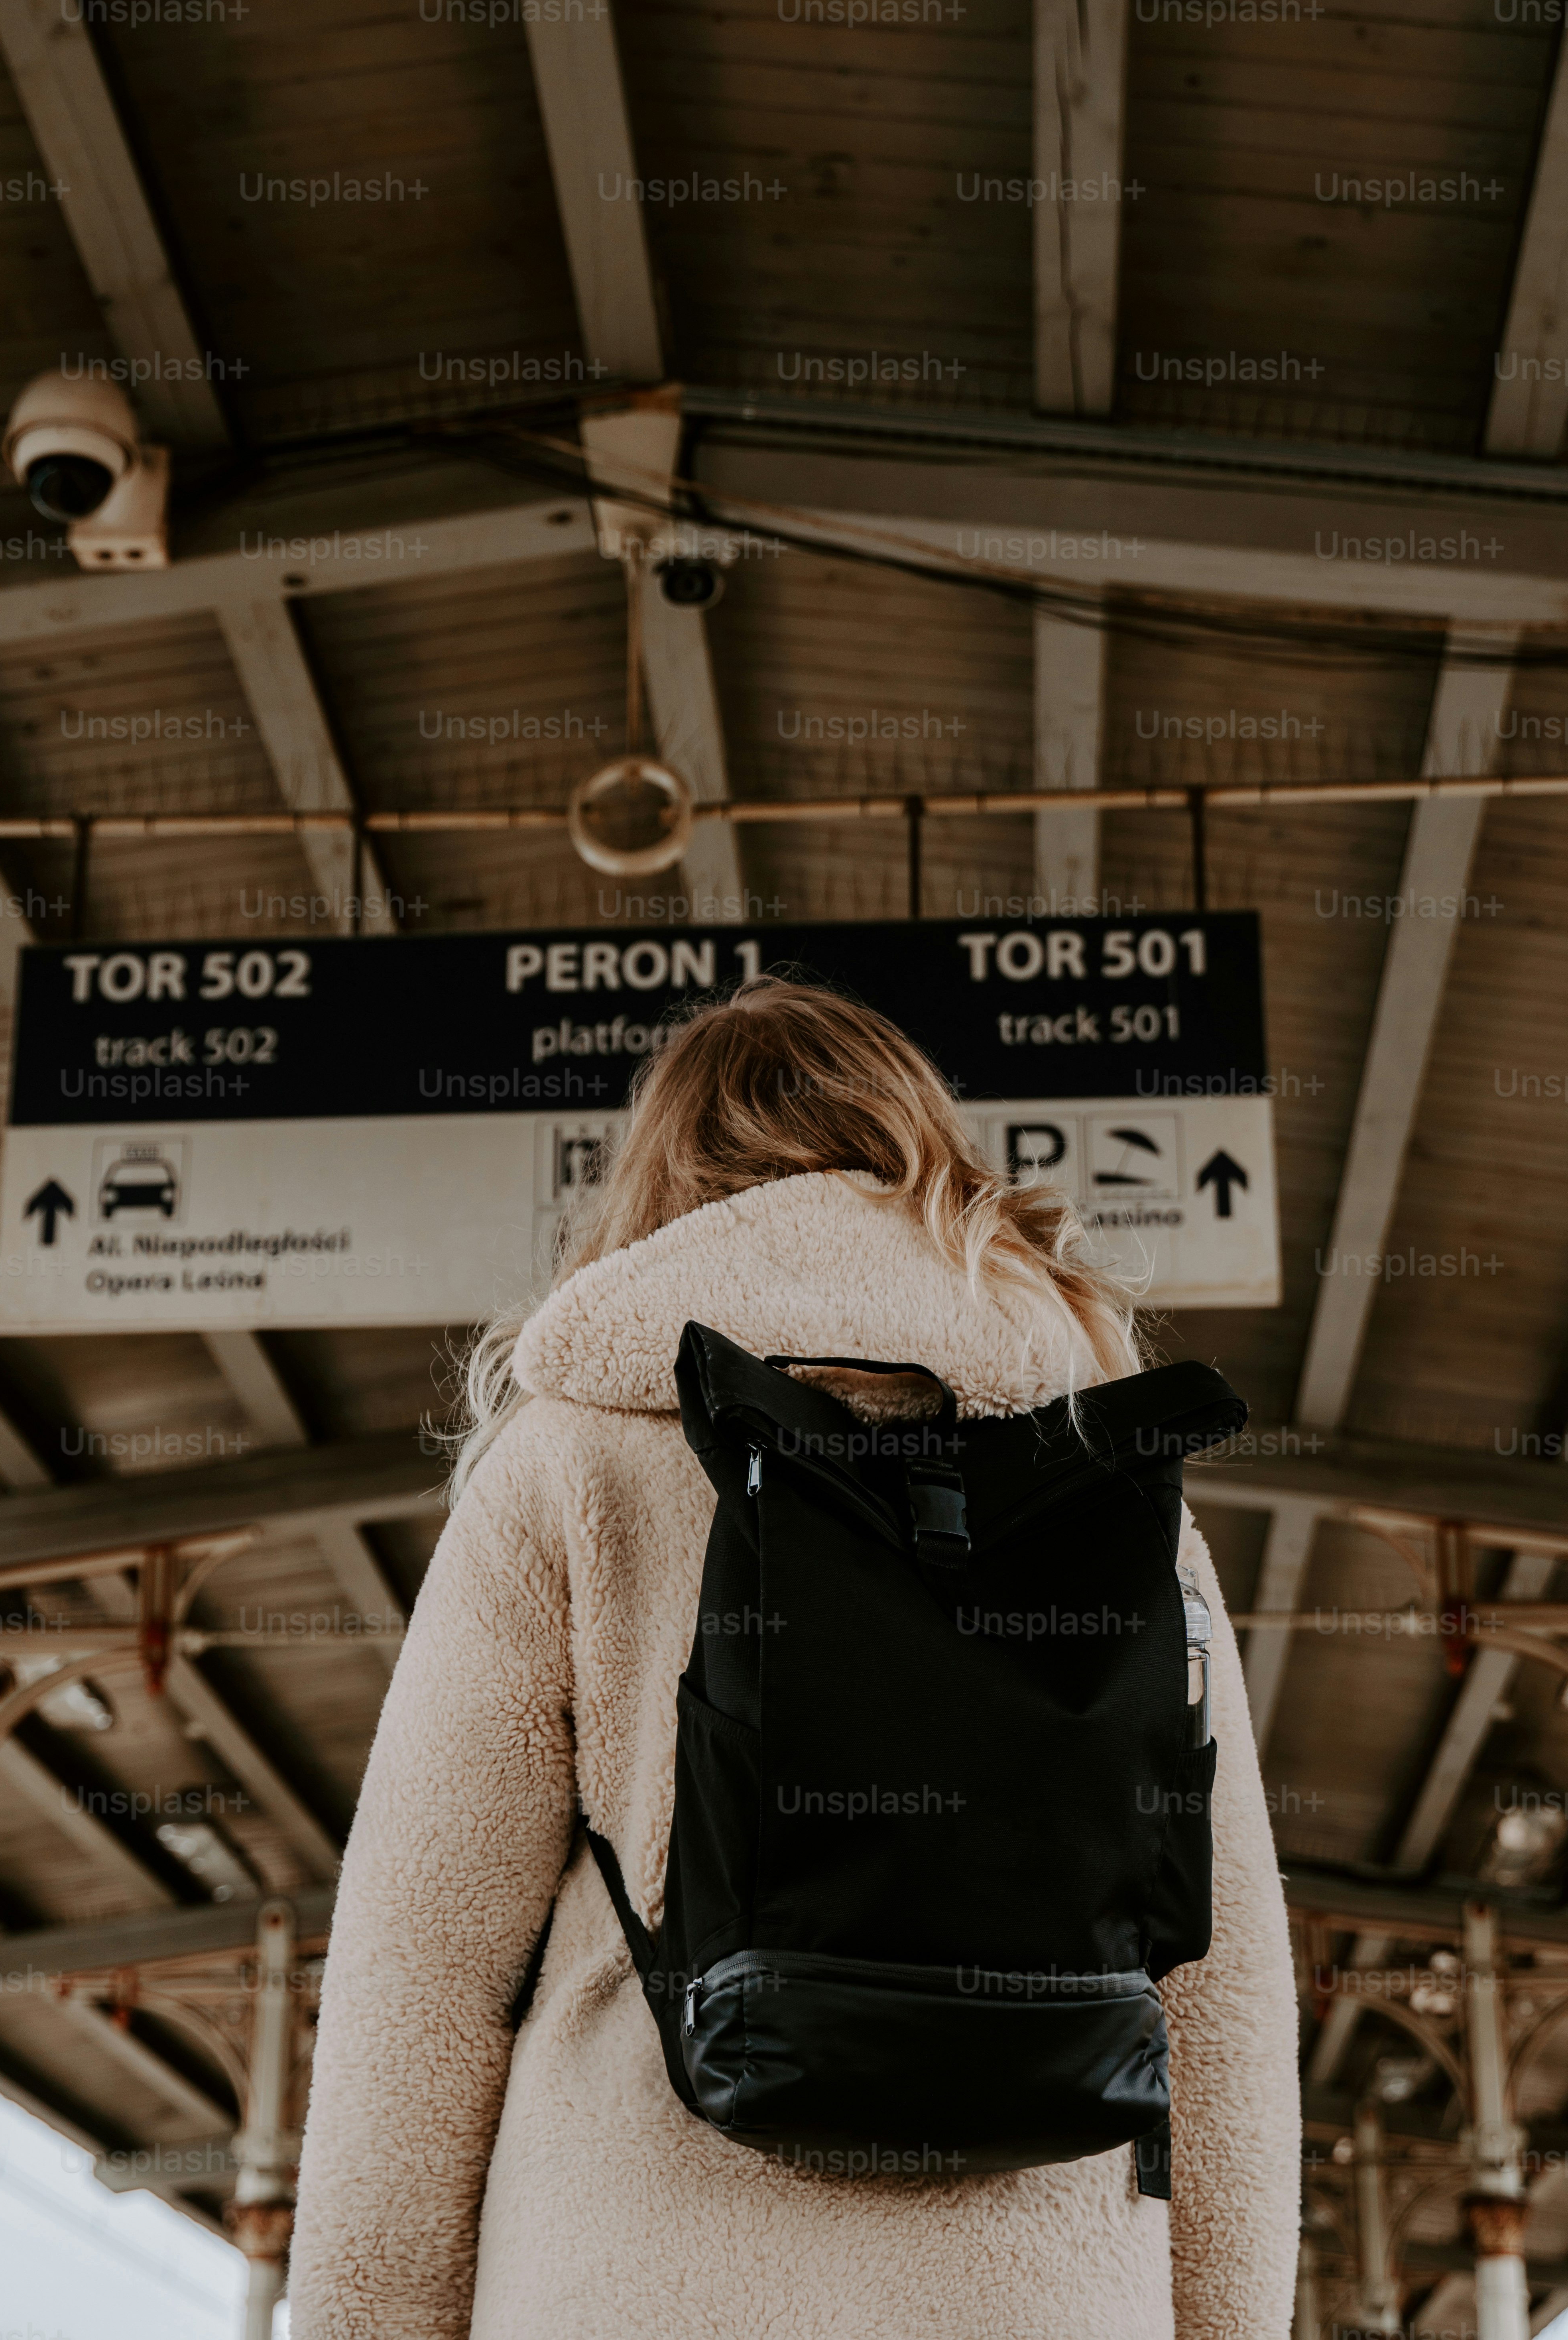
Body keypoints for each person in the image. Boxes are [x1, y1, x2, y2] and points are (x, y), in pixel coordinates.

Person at [289, 976, 1298, 2338]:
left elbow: (423, 1971)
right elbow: (1220, 1981)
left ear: (660, 1174)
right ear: (921, 1141)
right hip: (1036, 2296)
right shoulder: (1104, 1482)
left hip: (634, 2278)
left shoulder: (570, 1449)